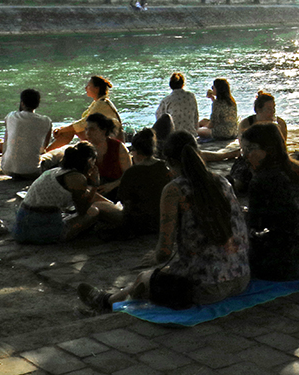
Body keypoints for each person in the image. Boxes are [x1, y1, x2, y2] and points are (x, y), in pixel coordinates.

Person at [77, 131, 250, 312]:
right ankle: (109, 299)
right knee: (165, 273)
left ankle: (106, 303)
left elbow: (164, 252)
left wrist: (155, 256)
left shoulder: (174, 190)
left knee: (145, 278)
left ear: (168, 162)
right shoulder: (222, 181)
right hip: (241, 277)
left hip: (208, 288)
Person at [241, 123, 299, 281]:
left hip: (287, 266)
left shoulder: (262, 180)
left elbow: (255, 224)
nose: (246, 155)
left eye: (250, 149)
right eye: (244, 150)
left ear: (267, 149)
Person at [83, 129, 172, 239]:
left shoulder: (132, 172)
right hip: (162, 219)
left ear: (135, 151)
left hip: (139, 223)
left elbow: (126, 203)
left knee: (98, 206)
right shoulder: (164, 167)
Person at [13, 142, 108, 244]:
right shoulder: (77, 178)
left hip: (21, 227)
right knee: (93, 212)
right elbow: (83, 210)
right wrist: (94, 184)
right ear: (89, 161)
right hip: (39, 230)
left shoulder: (55, 171)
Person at [49, 76, 122, 151]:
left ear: (97, 89)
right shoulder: (98, 102)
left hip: (111, 139)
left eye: (89, 86)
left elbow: (84, 123)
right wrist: (63, 129)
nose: (85, 88)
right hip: (105, 136)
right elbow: (82, 123)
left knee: (71, 130)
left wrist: (62, 130)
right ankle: (47, 151)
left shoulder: (102, 104)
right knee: (70, 129)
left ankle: (46, 152)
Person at [0, 89, 53, 178]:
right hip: (32, 172)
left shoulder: (11, 116)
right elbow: (44, 148)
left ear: (22, 103)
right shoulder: (46, 121)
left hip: (7, 169)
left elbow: (7, 138)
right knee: (57, 154)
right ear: (37, 104)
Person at [82, 113, 131, 191]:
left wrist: (112, 185)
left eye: (92, 129)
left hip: (116, 188)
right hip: (93, 190)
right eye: (86, 129)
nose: (87, 133)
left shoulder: (118, 147)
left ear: (103, 131)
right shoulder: (84, 149)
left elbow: (129, 175)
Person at [156, 72, 198, 138]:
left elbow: (159, 119)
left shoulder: (166, 100)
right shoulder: (191, 96)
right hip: (191, 135)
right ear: (183, 84)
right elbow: (196, 117)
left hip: (174, 137)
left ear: (170, 85)